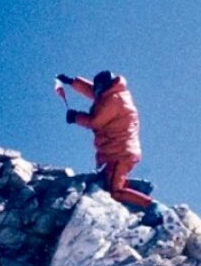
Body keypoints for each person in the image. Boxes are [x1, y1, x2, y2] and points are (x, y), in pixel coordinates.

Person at [57, 70, 164, 225]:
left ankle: (151, 205)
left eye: (99, 88)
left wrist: (76, 117)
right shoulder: (114, 93)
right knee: (107, 181)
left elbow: (95, 122)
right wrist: (72, 82)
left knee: (114, 192)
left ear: (104, 87)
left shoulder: (113, 100)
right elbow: (94, 92)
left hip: (119, 153)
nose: (97, 92)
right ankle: (133, 187)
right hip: (121, 150)